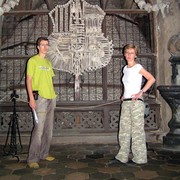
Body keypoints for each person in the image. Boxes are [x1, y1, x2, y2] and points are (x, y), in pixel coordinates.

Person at [110, 44, 155, 165]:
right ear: (124, 54)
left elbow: (151, 79)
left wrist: (141, 92)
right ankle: (122, 156)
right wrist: (124, 95)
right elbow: (128, 84)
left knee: (137, 131)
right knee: (123, 130)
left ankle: (139, 158)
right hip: (126, 102)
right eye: (127, 52)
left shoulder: (138, 67)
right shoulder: (125, 68)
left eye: (131, 53)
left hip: (136, 103)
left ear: (135, 55)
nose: (129, 55)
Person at [26, 37, 56, 168]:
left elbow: (49, 80)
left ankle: (44, 153)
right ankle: (32, 158)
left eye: (46, 45)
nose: (45, 47)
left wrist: (53, 95)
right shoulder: (32, 61)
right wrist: (31, 98)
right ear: (38, 46)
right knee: (39, 129)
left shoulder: (48, 63)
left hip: (51, 97)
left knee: (48, 129)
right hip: (40, 98)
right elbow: (28, 80)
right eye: (42, 45)